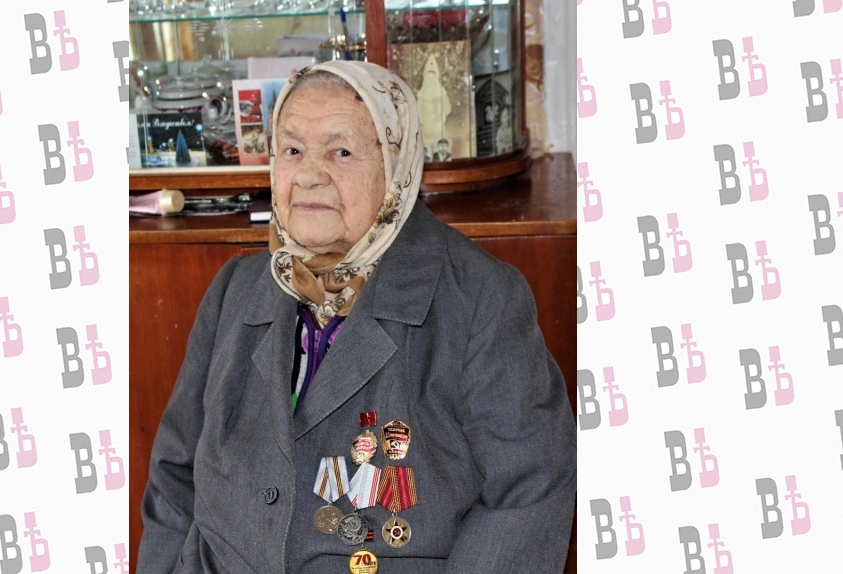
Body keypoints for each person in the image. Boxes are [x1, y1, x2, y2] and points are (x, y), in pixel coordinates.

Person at [136, 60, 576, 574]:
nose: (308, 175)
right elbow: (175, 476)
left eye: (340, 152)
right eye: (292, 150)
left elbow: (528, 491)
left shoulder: (480, 299)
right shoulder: (236, 289)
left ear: (395, 164)